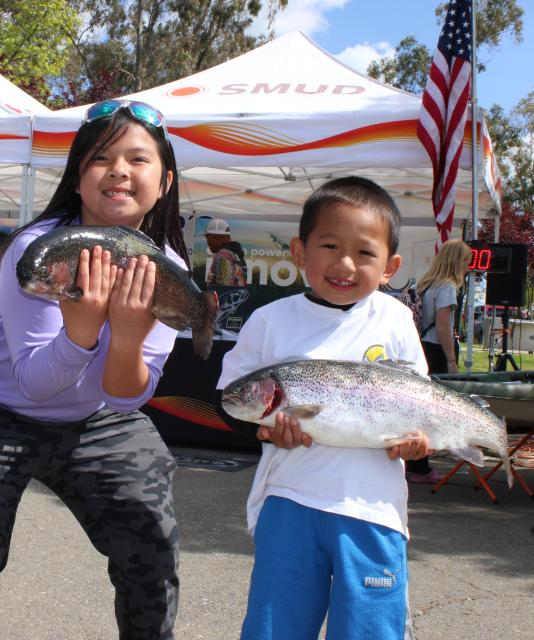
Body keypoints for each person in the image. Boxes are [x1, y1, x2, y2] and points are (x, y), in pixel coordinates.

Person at [0, 99, 185, 640]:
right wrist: (82, 331)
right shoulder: (40, 248)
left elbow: (128, 397)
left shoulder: (170, 270)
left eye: (138, 159)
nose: (120, 171)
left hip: (99, 416)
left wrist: (127, 339)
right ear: (78, 178)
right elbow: (34, 383)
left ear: (165, 181)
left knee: (151, 553)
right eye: (101, 158)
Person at [217, 176, 431, 640]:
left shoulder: (396, 319)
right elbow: (231, 402)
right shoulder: (268, 320)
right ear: (299, 251)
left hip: (374, 510)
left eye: (365, 252)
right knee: (275, 629)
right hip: (289, 499)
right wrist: (264, 431)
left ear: (391, 265)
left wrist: (419, 444)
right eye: (330, 245)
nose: (345, 264)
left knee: (369, 631)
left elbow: (420, 402)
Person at [406, 238, 472, 483]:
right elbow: (443, 325)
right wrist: (451, 360)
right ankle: (420, 467)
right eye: (466, 261)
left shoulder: (426, 284)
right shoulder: (447, 286)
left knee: (420, 407)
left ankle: (415, 463)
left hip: (422, 345)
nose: (468, 267)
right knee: (431, 410)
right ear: (456, 261)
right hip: (436, 349)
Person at [204, 217, 247, 286]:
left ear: (214, 238)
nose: (208, 243)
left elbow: (225, 288)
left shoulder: (223, 255)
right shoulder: (236, 254)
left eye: (208, 239)